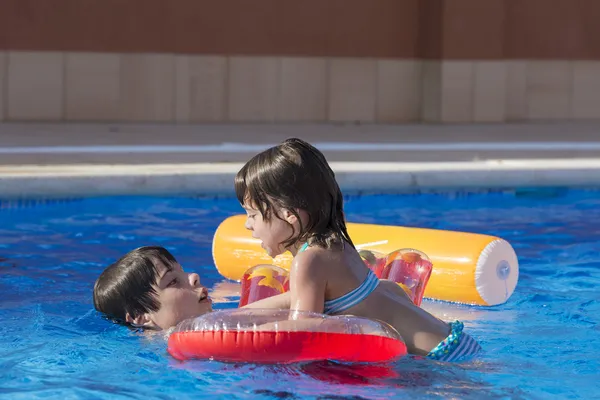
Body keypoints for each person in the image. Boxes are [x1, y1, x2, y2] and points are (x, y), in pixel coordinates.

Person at [235, 138, 481, 362]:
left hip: (443, 361)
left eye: (253, 214)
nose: (248, 224)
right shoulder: (336, 246)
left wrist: (242, 344)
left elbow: (303, 335)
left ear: (289, 213)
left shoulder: (309, 261)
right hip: (456, 343)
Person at [93, 246, 290, 331]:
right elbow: (247, 316)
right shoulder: (182, 335)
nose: (194, 277)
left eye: (183, 272)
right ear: (141, 316)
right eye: (173, 281)